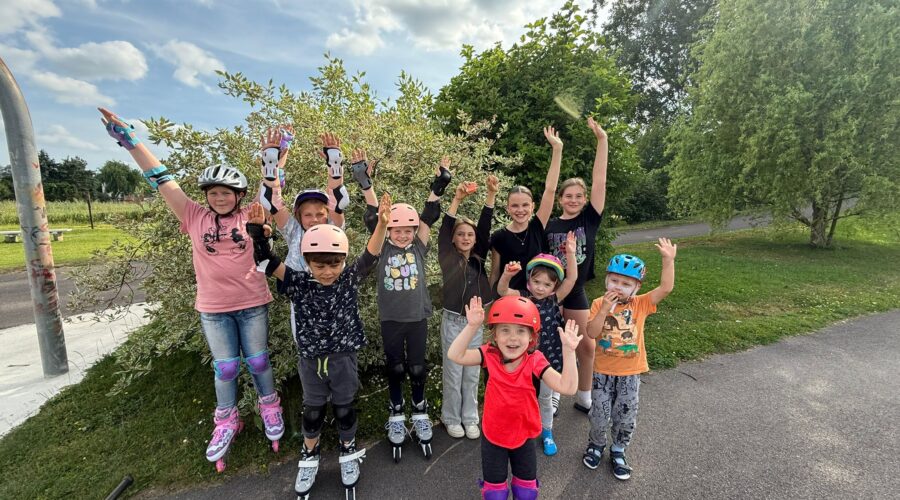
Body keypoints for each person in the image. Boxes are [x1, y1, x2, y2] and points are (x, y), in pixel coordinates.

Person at [98, 107, 284, 472]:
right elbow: (161, 179)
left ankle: (270, 406)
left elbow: (272, 192)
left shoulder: (250, 214)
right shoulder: (193, 215)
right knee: (225, 368)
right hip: (213, 308)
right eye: (213, 192)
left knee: (259, 360)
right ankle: (226, 420)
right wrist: (131, 142)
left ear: (238, 195)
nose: (219, 197)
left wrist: (274, 160)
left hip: (252, 303)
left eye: (226, 192)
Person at [245, 195, 391, 498]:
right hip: (311, 360)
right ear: (307, 262)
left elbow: (371, 255)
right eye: (319, 265)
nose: (327, 271)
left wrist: (382, 225)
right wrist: (258, 234)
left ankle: (348, 449)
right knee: (312, 411)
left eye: (334, 264)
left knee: (344, 408)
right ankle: (309, 454)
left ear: (342, 261)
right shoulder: (298, 282)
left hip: (343, 358)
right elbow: (267, 262)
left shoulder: (348, 279)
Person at [355, 154, 450, 461]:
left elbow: (429, 215)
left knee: (418, 367)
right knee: (395, 368)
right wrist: (365, 183)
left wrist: (440, 183)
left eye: (408, 230)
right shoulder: (382, 247)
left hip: (417, 317)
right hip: (392, 318)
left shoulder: (419, 247)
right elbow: (376, 218)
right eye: (397, 230)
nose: (403, 234)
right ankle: (396, 410)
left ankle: (419, 409)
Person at [448, 296, 580, 499]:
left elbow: (568, 387)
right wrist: (472, 326)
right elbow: (455, 355)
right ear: (495, 334)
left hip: (524, 435)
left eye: (520, 331)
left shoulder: (535, 360)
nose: (512, 338)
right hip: (494, 435)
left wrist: (569, 351)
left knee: (526, 492)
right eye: (505, 330)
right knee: (495, 494)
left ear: (532, 337)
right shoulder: (489, 355)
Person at [582, 238, 677, 480]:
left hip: (630, 374)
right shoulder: (598, 304)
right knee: (599, 414)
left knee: (625, 416)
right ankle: (596, 444)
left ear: (636, 287)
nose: (619, 287)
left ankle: (618, 449)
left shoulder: (641, 304)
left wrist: (668, 260)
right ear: (607, 280)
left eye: (626, 284)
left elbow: (666, 288)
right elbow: (591, 333)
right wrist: (604, 309)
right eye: (614, 281)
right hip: (602, 372)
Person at [545, 117, 609, 415]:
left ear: (585, 200)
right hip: (551, 292)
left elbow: (600, 181)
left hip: (576, 292)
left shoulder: (589, 219)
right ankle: (553, 394)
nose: (573, 200)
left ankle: (584, 395)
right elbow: (548, 189)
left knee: (586, 346)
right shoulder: (549, 225)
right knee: (552, 345)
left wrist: (602, 140)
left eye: (578, 196)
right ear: (561, 199)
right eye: (568, 196)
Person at [497, 231, 577, 457]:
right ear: (529, 280)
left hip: (548, 359)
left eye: (547, 284)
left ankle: (547, 431)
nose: (541, 288)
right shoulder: (522, 297)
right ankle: (522, 429)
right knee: (522, 396)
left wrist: (571, 254)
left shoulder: (554, 299)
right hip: (523, 359)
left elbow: (571, 279)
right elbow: (502, 291)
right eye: (537, 282)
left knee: (545, 398)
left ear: (554, 286)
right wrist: (506, 275)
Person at [438, 174, 499, 439]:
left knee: (472, 373)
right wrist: (456, 200)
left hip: (474, 324)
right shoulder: (447, 257)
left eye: (470, 235)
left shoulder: (478, 258)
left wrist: (491, 195)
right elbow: (444, 230)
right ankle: (451, 418)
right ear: (453, 239)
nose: (465, 238)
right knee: (453, 373)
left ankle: (470, 418)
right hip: (453, 322)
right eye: (460, 234)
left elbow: (485, 227)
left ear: (475, 240)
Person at [489, 126, 563, 293]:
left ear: (532, 207)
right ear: (508, 208)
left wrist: (557, 149)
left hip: (538, 297)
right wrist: (489, 302)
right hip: (509, 297)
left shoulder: (537, 226)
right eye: (515, 205)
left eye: (525, 205)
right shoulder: (499, 237)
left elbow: (550, 190)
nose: (520, 210)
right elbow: (494, 273)